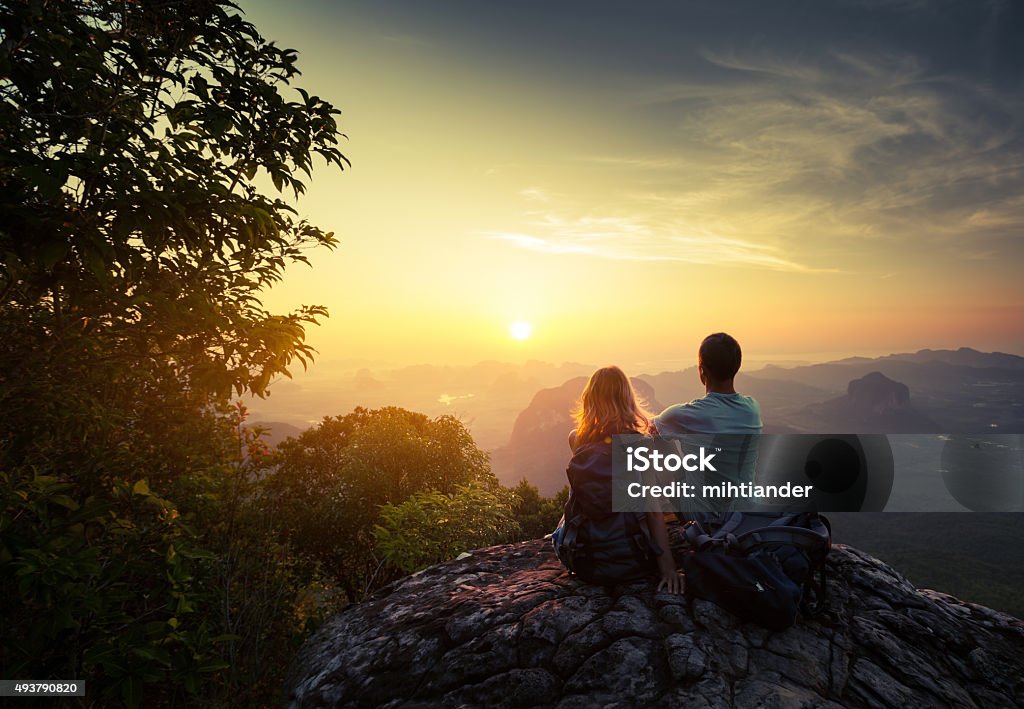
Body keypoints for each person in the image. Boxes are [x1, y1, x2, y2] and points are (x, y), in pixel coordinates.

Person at [564, 366, 684, 594]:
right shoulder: (641, 444)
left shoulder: (576, 439)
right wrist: (668, 568)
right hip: (631, 558)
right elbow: (652, 509)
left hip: (585, 560)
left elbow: (586, 496)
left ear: (590, 399)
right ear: (627, 399)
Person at [653, 332, 763, 519]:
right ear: (736, 367)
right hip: (747, 514)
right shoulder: (753, 408)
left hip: (703, 517)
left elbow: (650, 427)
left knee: (658, 438)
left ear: (702, 370)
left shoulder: (684, 414)